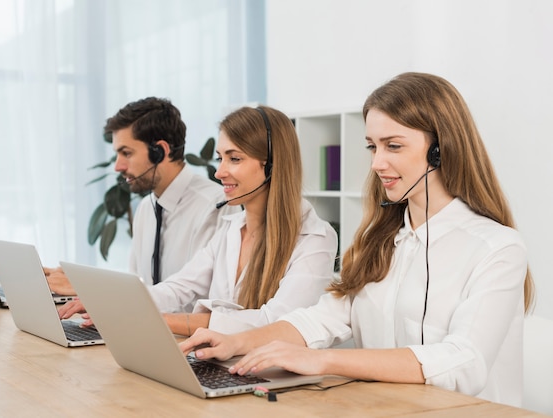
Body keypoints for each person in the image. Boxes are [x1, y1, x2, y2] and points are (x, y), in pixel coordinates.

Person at [179, 72, 534, 407]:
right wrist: (236, 342)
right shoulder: (381, 241)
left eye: (393, 146)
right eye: (372, 147)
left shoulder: (497, 248)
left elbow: (462, 363)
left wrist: (323, 360)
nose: (377, 163)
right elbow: (321, 319)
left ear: (440, 150)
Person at [60, 105, 339, 336]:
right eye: (221, 158)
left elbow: (277, 323)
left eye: (234, 159)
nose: (219, 173)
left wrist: (154, 320)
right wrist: (110, 304)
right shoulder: (231, 230)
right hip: (220, 363)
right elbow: (179, 288)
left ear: (273, 165)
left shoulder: (315, 238)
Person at [45, 97, 236, 296]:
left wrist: (88, 288)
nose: (118, 166)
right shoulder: (147, 207)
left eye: (126, 153)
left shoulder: (214, 206)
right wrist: (81, 282)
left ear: (160, 151)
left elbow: (197, 299)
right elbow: (138, 287)